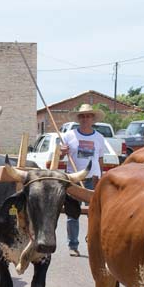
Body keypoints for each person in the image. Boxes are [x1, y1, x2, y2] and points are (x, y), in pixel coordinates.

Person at [59, 104, 105, 256]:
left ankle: (94, 243)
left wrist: (101, 177)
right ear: (79, 119)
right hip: (73, 178)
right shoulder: (68, 135)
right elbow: (59, 155)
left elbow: (100, 159)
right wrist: (62, 152)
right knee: (73, 213)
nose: (85, 119)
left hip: (93, 178)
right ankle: (73, 245)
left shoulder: (99, 137)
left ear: (93, 119)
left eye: (88, 116)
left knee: (95, 213)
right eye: (82, 116)